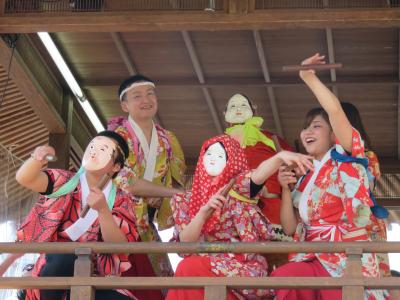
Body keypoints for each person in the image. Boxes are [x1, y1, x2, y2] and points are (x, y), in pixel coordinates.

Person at [272, 53, 390, 300]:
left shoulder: (346, 159)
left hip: (346, 258)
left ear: (334, 134)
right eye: (305, 127)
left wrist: (308, 77)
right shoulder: (305, 176)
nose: (307, 131)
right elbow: (290, 227)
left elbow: (334, 111)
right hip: (313, 255)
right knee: (285, 276)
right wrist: (285, 189)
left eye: (316, 125)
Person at [166, 134, 313, 300]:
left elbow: (259, 175)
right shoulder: (184, 199)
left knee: (189, 268)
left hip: (241, 265)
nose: (213, 160)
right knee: (189, 266)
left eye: (221, 156)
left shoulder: (238, 189)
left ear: (232, 161)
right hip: (200, 264)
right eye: (209, 154)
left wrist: (278, 158)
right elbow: (184, 246)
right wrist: (202, 214)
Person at [15, 131, 139, 300]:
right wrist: (36, 159)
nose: (94, 152)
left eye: (103, 149)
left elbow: (121, 246)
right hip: (54, 268)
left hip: (95, 277)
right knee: (65, 257)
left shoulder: (122, 200)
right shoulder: (64, 181)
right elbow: (25, 178)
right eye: (92, 146)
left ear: (116, 166)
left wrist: (103, 210)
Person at [108, 74, 186, 299]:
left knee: (162, 288)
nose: (146, 100)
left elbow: (175, 179)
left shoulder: (168, 139)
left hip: (147, 225)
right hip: (117, 225)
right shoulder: (114, 139)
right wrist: (168, 192)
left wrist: (162, 197)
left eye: (150, 94)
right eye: (137, 96)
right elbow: (127, 183)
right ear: (125, 105)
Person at [224, 93, 294, 271]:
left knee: (280, 266)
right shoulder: (217, 145)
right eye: (233, 107)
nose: (238, 110)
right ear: (224, 113)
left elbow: (294, 170)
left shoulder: (273, 139)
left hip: (272, 209)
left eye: (243, 105)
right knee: (243, 266)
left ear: (254, 110)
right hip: (236, 213)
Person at [341, 101, 391, 278]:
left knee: (375, 276)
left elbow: (365, 188)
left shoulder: (367, 156)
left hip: (364, 218)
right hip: (337, 222)